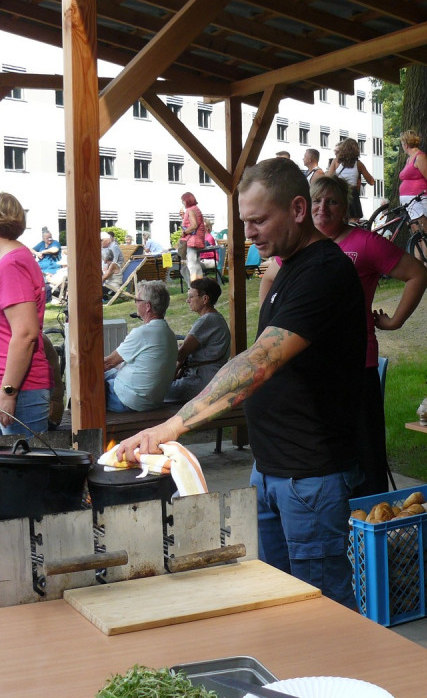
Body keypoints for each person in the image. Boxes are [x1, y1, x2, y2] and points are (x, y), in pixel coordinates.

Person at [114, 157, 366, 607]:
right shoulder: (287, 267)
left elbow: (259, 363)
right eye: (244, 221)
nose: (247, 233)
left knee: (322, 610)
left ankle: (335, 678)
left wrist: (171, 427)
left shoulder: (324, 272)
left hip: (309, 476)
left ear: (297, 209)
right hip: (271, 468)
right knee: (275, 601)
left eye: (258, 220)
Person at [309, 176, 427, 495]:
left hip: (356, 367)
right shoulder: (299, 246)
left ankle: (371, 531)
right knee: (323, 461)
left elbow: (418, 273)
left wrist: (395, 321)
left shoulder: (364, 242)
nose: (323, 208)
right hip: (312, 371)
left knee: (365, 460)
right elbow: (271, 281)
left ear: (345, 207)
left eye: (332, 201)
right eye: (316, 201)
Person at [0, 193, 52, 436]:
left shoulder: (12, 265)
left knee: (21, 471)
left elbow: (25, 333)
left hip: (18, 390)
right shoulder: (2, 263)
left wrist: (8, 391)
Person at [103, 281, 178, 412]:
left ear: (147, 306)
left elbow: (107, 363)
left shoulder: (143, 333)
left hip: (128, 401)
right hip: (152, 400)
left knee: (87, 381)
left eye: (137, 300)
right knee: (110, 373)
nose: (135, 303)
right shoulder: (169, 333)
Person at [166, 278, 231, 403]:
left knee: (152, 394)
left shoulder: (207, 320)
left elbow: (180, 354)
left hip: (200, 383)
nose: (187, 300)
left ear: (205, 299)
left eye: (191, 296)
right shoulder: (215, 318)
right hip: (211, 381)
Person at [398, 130, 427, 260]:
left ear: (406, 144)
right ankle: (418, 266)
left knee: (424, 232)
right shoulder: (409, 159)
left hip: (420, 199)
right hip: (409, 202)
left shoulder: (420, 157)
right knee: (415, 235)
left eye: (402, 143)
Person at [330, 137, 376, 220]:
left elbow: (329, 177)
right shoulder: (359, 164)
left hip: (339, 193)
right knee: (353, 222)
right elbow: (371, 182)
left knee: (340, 221)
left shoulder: (335, 162)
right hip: (353, 195)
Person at [180, 192, 206, 283]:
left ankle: (194, 286)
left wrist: (184, 232)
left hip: (192, 241)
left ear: (186, 200)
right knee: (197, 264)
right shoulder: (196, 209)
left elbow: (194, 225)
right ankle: (201, 284)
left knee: (191, 265)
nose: (182, 203)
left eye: (183, 201)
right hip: (199, 240)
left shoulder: (190, 210)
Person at [101, 231, 123, 298]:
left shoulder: (113, 265)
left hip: (113, 289)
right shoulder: (110, 264)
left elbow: (104, 277)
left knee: (95, 288)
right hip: (108, 286)